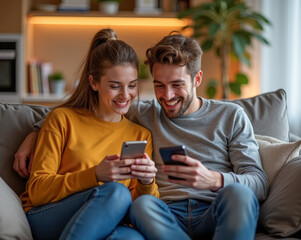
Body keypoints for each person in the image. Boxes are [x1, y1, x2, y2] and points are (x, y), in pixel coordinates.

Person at [14, 32, 268, 240]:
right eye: (159, 85)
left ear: (197, 78)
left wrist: (212, 179)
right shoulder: (143, 113)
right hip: (163, 214)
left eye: (177, 84)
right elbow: (79, 112)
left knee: (238, 193)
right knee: (134, 204)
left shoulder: (230, 115)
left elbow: (258, 183)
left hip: (215, 209)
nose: (167, 96)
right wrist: (35, 132)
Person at [18, 28, 159, 240]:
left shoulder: (140, 135)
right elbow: (38, 191)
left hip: (106, 220)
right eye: (114, 86)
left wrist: (147, 182)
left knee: (132, 238)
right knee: (116, 192)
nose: (125, 95)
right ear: (94, 82)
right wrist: (94, 175)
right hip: (48, 216)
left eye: (132, 85)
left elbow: (135, 207)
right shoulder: (62, 119)